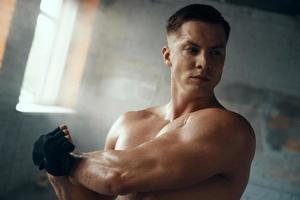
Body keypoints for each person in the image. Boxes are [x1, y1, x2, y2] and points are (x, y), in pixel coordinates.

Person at [32, 4, 256, 200]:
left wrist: (68, 160)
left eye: (216, 53)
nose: (204, 63)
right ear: (168, 56)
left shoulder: (228, 128)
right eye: (192, 49)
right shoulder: (127, 123)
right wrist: (56, 172)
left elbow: (117, 178)